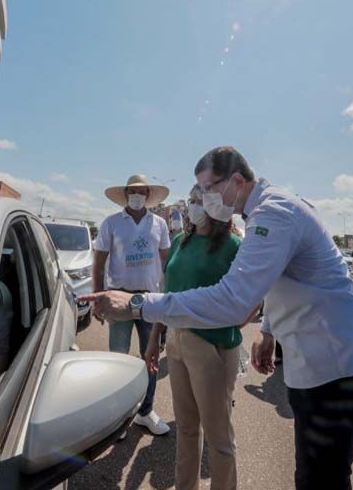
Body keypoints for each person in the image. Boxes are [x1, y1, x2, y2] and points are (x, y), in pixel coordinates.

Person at [83, 147, 353, 489]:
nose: (203, 199)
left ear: (236, 180)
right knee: (312, 474)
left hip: (331, 365)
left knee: (321, 478)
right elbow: (279, 280)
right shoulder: (263, 213)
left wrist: (137, 305)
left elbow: (234, 300)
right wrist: (268, 330)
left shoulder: (273, 213)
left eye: (208, 189)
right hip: (316, 358)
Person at [144, 185, 242, 490]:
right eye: (192, 200)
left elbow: (248, 301)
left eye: (200, 200)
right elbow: (167, 295)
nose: (193, 206)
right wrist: (154, 339)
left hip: (212, 346)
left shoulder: (233, 246)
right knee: (186, 428)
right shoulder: (178, 242)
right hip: (176, 341)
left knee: (219, 436)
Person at [93, 174, 173, 436]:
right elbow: (99, 264)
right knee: (117, 357)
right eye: (132, 191)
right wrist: (98, 298)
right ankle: (119, 414)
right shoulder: (112, 223)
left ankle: (145, 411)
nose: (137, 195)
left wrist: (166, 298)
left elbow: (165, 264)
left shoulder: (159, 224)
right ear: (126, 194)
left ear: (149, 196)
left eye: (142, 191)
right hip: (119, 299)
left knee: (149, 359)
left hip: (150, 300)